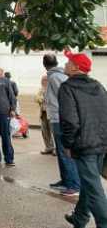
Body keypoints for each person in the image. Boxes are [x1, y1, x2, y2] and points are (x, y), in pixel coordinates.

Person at [59, 50, 107, 228]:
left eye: (68, 62)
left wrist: (68, 144)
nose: (65, 65)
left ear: (75, 68)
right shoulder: (99, 85)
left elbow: (70, 121)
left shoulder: (67, 87)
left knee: (94, 188)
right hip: (101, 143)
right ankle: (79, 217)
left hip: (84, 144)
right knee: (90, 182)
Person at [44, 53, 80, 196]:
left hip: (60, 119)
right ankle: (66, 180)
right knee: (61, 152)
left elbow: (65, 97)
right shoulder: (57, 75)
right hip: (58, 117)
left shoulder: (54, 77)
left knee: (65, 152)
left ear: (44, 64)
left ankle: (74, 185)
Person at [36, 74, 55, 155]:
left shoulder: (52, 89)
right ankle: (48, 147)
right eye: (42, 80)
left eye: (44, 80)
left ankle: (55, 148)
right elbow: (37, 98)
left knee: (53, 132)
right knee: (44, 131)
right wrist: (42, 98)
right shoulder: (41, 89)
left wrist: (43, 98)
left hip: (51, 113)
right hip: (43, 113)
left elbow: (50, 100)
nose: (42, 82)